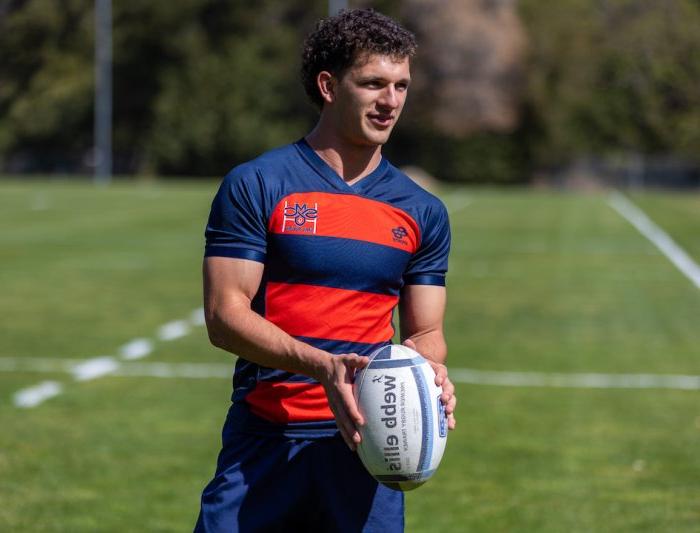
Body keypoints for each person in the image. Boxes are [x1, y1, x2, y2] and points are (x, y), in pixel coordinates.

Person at [195, 8, 456, 532]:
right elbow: (225, 317)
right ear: (328, 85)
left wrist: (429, 374)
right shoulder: (258, 185)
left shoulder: (422, 211)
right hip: (265, 442)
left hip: (365, 450)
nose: (391, 101)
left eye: (401, 85)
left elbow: (425, 331)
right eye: (374, 84)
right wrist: (323, 366)